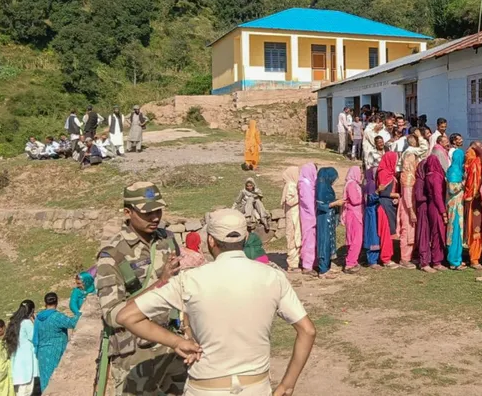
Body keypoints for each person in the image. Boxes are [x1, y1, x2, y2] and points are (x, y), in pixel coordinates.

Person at [116, 208, 316, 396]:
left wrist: (176, 341)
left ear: (211, 240)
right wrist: (287, 385)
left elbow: (127, 316)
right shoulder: (273, 276)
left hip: (205, 387)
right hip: (256, 386)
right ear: (245, 238)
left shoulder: (189, 280)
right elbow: (307, 331)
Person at [94, 182, 186, 396]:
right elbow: (112, 315)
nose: (155, 217)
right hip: (137, 355)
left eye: (158, 210)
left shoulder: (167, 239)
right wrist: (159, 283)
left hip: (173, 345)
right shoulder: (113, 254)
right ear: (128, 212)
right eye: (147, 212)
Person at [34, 292, 79, 391]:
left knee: (45, 379)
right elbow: (72, 323)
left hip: (42, 352)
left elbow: (36, 336)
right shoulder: (57, 316)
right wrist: (78, 313)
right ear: (57, 302)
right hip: (55, 351)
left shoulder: (38, 317)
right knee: (55, 380)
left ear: (45, 302)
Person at [420, 155, 448, 272]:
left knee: (434, 232)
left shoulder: (428, 176)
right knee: (438, 233)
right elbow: (437, 195)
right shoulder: (436, 176)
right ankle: (437, 261)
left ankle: (435, 259)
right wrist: (443, 212)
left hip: (431, 205)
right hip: (437, 206)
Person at [5, 300, 38, 396]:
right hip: (26, 360)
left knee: (20, 389)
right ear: (32, 311)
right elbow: (34, 338)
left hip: (17, 359)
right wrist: (35, 322)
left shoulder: (14, 322)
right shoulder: (27, 323)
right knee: (26, 389)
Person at [315, 167, 343, 278]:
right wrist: (335, 203)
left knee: (329, 241)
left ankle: (327, 267)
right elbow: (321, 205)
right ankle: (323, 270)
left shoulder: (327, 187)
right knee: (324, 241)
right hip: (324, 218)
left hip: (329, 218)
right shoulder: (321, 188)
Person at [376, 152, 400, 268]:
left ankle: (388, 255)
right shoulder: (383, 173)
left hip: (390, 204)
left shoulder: (391, 173)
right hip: (384, 205)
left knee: (389, 231)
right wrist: (396, 195)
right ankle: (386, 258)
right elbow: (383, 192)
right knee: (386, 232)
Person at [463, 145, 482, 269]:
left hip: (467, 200)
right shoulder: (475, 165)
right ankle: (474, 259)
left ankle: (474, 256)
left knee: (472, 229)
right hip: (475, 201)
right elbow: (475, 186)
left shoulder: (465, 165)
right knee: (476, 229)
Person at [397, 150, 418, 269]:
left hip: (409, 206)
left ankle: (408, 256)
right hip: (407, 207)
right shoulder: (408, 176)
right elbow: (407, 195)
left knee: (411, 231)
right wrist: (411, 211)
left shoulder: (408, 174)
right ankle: (404, 259)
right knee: (406, 232)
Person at [445, 149, 466, 269]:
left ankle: (457, 258)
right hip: (454, 206)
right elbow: (452, 189)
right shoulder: (454, 170)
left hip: (458, 205)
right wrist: (463, 183)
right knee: (455, 231)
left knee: (458, 231)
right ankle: (454, 260)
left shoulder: (457, 169)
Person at [342, 166, 364, 274]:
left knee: (352, 238)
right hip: (354, 214)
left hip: (353, 213)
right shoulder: (352, 184)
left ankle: (351, 260)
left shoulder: (352, 184)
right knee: (356, 239)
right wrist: (364, 197)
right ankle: (350, 263)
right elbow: (355, 200)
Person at [298, 164, 318, 275]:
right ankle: (307, 265)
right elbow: (307, 203)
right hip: (309, 216)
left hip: (310, 215)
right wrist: (313, 214)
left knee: (312, 239)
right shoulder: (305, 184)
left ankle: (312, 262)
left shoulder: (308, 183)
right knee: (309, 240)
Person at [282, 167, 302, 272]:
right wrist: (301, 195)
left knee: (297, 237)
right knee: (293, 238)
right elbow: (289, 201)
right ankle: (292, 264)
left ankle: (296, 261)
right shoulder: (291, 185)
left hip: (295, 215)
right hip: (292, 216)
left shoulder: (293, 184)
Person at [364, 168, 382, 269]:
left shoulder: (368, 183)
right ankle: (372, 260)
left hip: (371, 211)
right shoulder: (371, 184)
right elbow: (370, 199)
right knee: (373, 235)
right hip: (372, 212)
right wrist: (378, 192)